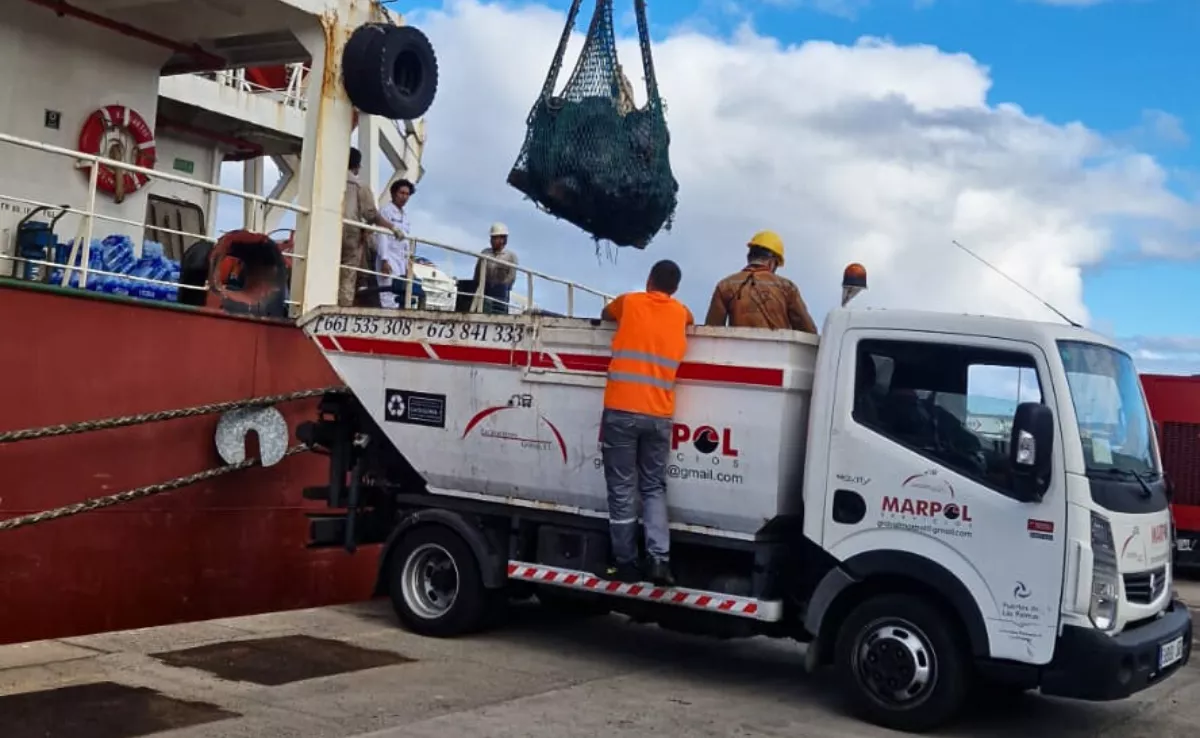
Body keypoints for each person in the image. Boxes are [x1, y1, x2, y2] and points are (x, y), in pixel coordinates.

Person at [599, 260, 694, 586]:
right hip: (659, 415)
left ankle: (626, 563)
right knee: (653, 487)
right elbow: (691, 318)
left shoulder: (630, 301)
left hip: (621, 411)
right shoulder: (681, 313)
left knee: (623, 489)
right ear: (676, 288)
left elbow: (605, 314)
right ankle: (659, 561)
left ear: (648, 278)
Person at [703, 230, 818, 333]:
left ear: (749, 257)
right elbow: (808, 330)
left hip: (737, 354)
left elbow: (712, 330)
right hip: (777, 354)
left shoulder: (725, 285)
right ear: (772, 262)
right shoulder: (787, 287)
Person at [341, 147, 400, 307]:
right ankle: (342, 310)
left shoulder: (328, 180)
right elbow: (372, 215)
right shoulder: (360, 186)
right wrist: (393, 228)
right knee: (348, 274)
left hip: (327, 231)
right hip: (350, 236)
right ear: (357, 166)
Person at [375, 178, 423, 309]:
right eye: (401, 193)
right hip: (388, 258)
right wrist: (384, 260)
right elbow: (382, 236)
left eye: (407, 194)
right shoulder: (386, 211)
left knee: (400, 293)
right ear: (394, 193)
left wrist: (409, 264)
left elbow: (406, 242)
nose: (404, 197)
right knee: (387, 294)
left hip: (401, 260)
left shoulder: (405, 216)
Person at [474, 223, 518, 314]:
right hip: (483, 293)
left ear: (503, 239)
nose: (492, 241)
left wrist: (500, 288)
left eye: (495, 238)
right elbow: (477, 273)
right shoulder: (485, 253)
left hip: (500, 296)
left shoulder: (511, 256)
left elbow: (511, 278)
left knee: (498, 313)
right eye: (492, 238)